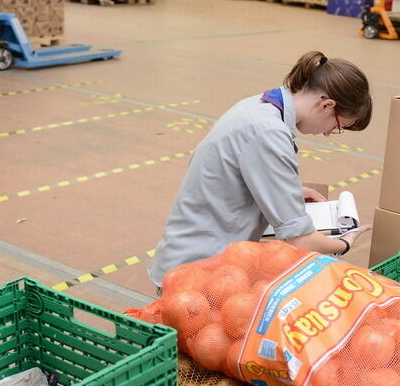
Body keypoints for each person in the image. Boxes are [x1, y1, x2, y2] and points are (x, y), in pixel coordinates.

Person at [149, 51, 373, 290]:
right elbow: (300, 240)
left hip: (192, 260)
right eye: (338, 126)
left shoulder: (258, 106)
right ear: (326, 105)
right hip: (198, 274)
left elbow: (236, 173)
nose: (328, 133)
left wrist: (289, 191)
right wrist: (344, 243)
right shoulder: (268, 132)